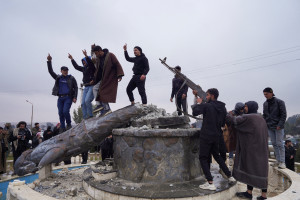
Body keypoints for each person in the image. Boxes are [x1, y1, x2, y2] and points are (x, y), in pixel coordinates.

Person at [192, 88, 235, 190]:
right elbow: (225, 121)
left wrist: (199, 102)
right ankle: (230, 176)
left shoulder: (207, 105)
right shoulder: (222, 107)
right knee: (217, 156)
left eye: (207, 95)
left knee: (203, 157)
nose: (206, 97)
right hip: (217, 135)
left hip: (206, 135)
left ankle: (210, 183)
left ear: (212, 96)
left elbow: (194, 112)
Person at [226, 102, 269, 200]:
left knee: (250, 168)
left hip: (252, 149)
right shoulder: (261, 118)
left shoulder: (248, 117)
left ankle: (250, 193)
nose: (244, 108)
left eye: (245, 106)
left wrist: (229, 113)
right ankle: (260, 194)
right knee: (260, 170)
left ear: (250, 107)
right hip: (261, 149)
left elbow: (233, 121)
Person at [47, 54, 78, 132]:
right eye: (64, 70)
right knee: (60, 112)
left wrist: (75, 97)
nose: (65, 72)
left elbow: (76, 87)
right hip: (60, 98)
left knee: (65, 111)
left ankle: (69, 124)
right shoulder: (58, 78)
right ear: (61, 71)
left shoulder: (71, 78)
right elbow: (50, 71)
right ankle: (62, 127)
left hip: (68, 97)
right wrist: (49, 61)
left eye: (66, 70)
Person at [92, 46, 124, 116]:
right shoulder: (98, 59)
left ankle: (107, 109)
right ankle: (99, 105)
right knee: (95, 88)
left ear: (100, 51)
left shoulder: (110, 55)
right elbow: (97, 70)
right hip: (103, 79)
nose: (96, 55)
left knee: (103, 92)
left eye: (96, 53)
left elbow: (117, 64)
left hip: (110, 78)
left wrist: (120, 75)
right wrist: (94, 79)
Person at [263, 87, 287, 169]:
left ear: (271, 93)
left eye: (266, 94)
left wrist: (279, 125)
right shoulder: (265, 104)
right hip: (270, 126)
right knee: (274, 143)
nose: (265, 96)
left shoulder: (280, 102)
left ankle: (283, 162)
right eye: (264, 94)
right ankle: (278, 160)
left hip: (278, 126)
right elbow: (265, 115)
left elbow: (283, 114)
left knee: (280, 143)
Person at [69, 50, 96, 119]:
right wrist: (72, 59)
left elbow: (90, 63)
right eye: (83, 62)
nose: (83, 63)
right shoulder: (83, 69)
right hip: (86, 87)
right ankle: (85, 118)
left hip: (91, 86)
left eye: (84, 62)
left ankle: (90, 116)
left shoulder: (92, 67)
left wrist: (86, 56)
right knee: (83, 103)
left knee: (87, 100)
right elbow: (76, 67)